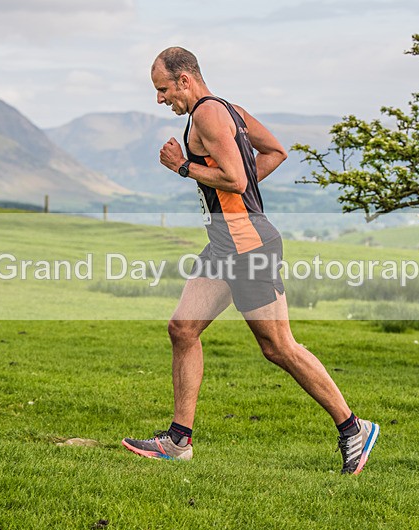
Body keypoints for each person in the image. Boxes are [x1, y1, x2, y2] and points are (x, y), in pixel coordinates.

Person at [121, 47, 379, 475]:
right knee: (182, 329)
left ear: (185, 80)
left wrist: (182, 167)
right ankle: (178, 441)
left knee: (278, 347)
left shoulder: (207, 114)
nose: (160, 99)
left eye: (163, 89)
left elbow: (236, 178)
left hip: (247, 247)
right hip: (224, 244)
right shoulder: (231, 110)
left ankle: (354, 428)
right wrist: (233, 196)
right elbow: (275, 151)